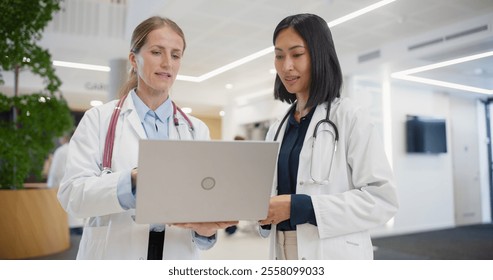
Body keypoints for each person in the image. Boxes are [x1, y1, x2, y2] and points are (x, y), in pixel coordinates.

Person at [58, 16, 235, 260]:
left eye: (175, 55)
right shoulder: (99, 119)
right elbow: (72, 196)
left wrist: (205, 232)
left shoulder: (196, 130)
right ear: (134, 59)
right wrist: (130, 182)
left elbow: (201, 210)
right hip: (115, 256)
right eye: (156, 52)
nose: (167, 63)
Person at [258, 13, 398, 260]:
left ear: (319, 55)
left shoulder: (350, 117)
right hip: (281, 249)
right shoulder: (278, 128)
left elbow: (381, 199)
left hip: (332, 252)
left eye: (296, 54)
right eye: (279, 56)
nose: (286, 65)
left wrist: (302, 207)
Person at [47, 131, 84, 235]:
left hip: (63, 190)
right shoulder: (81, 149)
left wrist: (50, 187)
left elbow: (55, 172)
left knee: (67, 228)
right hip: (79, 192)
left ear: (64, 138)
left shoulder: (61, 151)